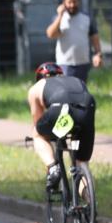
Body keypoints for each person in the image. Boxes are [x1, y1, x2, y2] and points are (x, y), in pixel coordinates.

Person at [28, 62, 97, 190]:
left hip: (60, 107)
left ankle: (53, 169)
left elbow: (37, 122)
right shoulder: (75, 80)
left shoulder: (36, 87)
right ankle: (90, 199)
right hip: (87, 106)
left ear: (39, 77)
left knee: (37, 134)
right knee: (81, 163)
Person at [45, 0, 103, 82]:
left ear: (79, 2)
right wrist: (60, 15)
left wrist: (98, 54)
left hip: (82, 63)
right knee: (66, 89)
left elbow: (95, 39)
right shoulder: (59, 19)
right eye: (69, 2)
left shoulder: (87, 18)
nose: (72, 5)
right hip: (65, 64)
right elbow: (50, 34)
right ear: (64, 3)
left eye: (74, 2)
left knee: (81, 89)